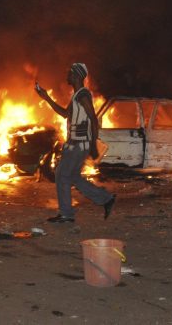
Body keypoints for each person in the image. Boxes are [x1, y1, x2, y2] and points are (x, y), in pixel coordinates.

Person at [36, 63, 115, 223]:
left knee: (62, 175)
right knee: (72, 176)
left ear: (77, 76)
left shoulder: (83, 95)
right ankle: (106, 198)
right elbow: (65, 114)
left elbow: (93, 119)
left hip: (79, 144)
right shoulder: (77, 95)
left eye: (70, 73)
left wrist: (93, 144)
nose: (67, 76)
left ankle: (66, 214)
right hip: (76, 143)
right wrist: (46, 98)